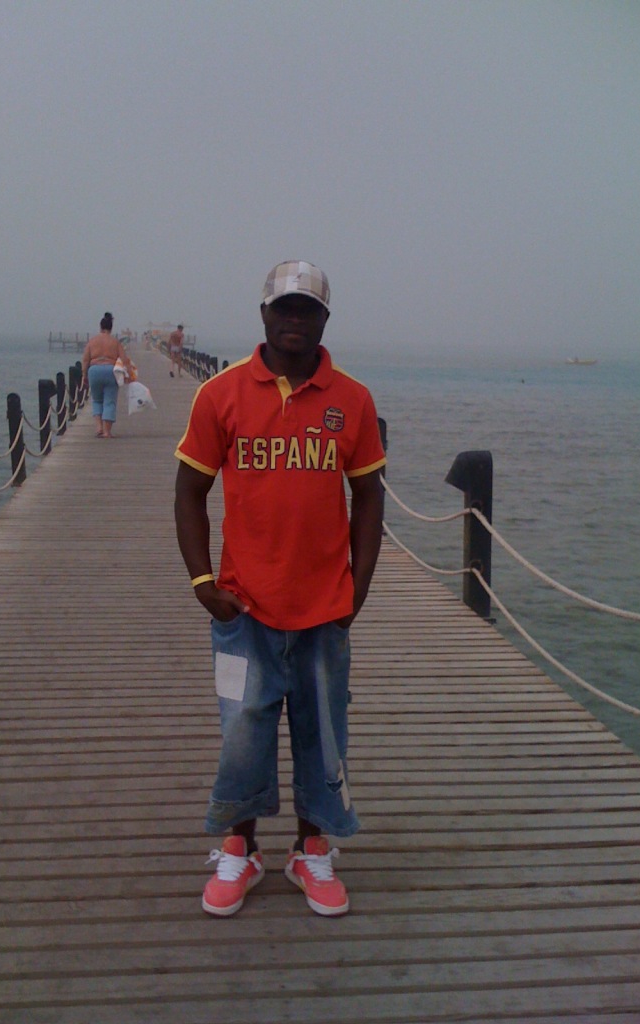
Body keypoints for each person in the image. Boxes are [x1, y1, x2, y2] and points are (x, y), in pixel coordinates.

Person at [174, 260, 386, 918]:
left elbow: (369, 498)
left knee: (324, 734)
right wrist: (203, 582)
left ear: (325, 320)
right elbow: (189, 490)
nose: (295, 320)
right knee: (243, 732)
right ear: (263, 313)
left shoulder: (353, 400)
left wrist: (358, 589)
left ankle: (310, 848)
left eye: (308, 310)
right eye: (284, 308)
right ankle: (239, 846)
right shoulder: (221, 394)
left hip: (324, 611)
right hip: (244, 610)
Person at [80, 312, 133, 438]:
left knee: (97, 400)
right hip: (110, 370)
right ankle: (107, 431)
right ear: (111, 328)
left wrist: (84, 375)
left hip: (94, 370)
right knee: (109, 401)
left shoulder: (92, 341)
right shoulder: (115, 342)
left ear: (100, 327)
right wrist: (129, 374)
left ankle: (99, 428)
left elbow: (85, 360)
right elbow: (124, 359)